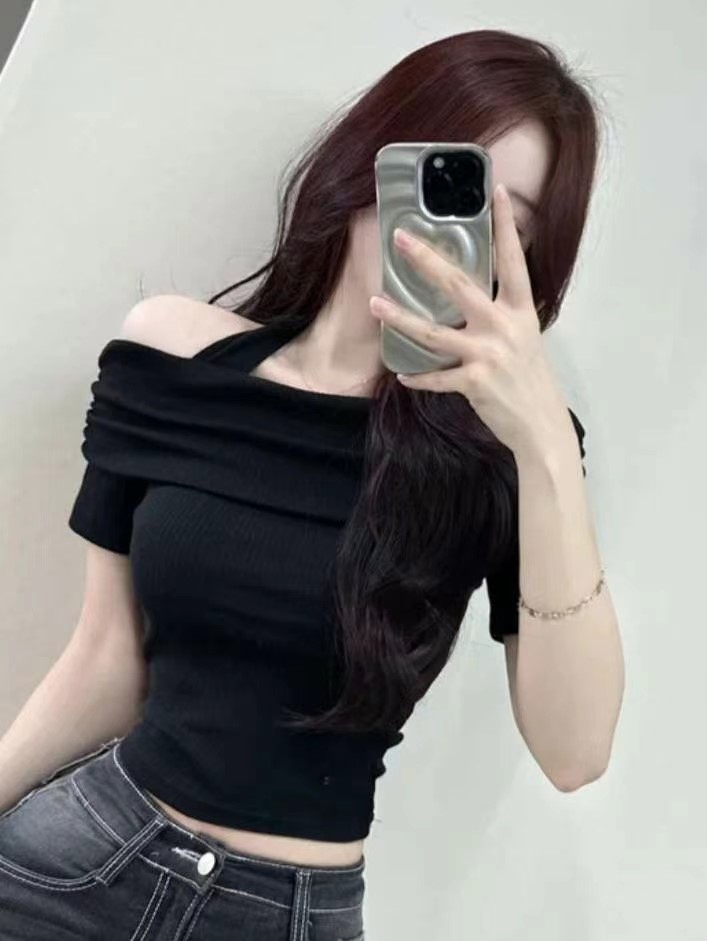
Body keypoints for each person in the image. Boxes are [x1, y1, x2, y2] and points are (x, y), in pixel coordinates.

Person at [0, 27, 624, 940]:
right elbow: (104, 659)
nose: (442, 232)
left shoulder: (505, 450)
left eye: (502, 221)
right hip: (75, 865)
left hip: (289, 915)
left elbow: (575, 753)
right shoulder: (171, 357)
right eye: (444, 178)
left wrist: (543, 443)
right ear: (373, 155)